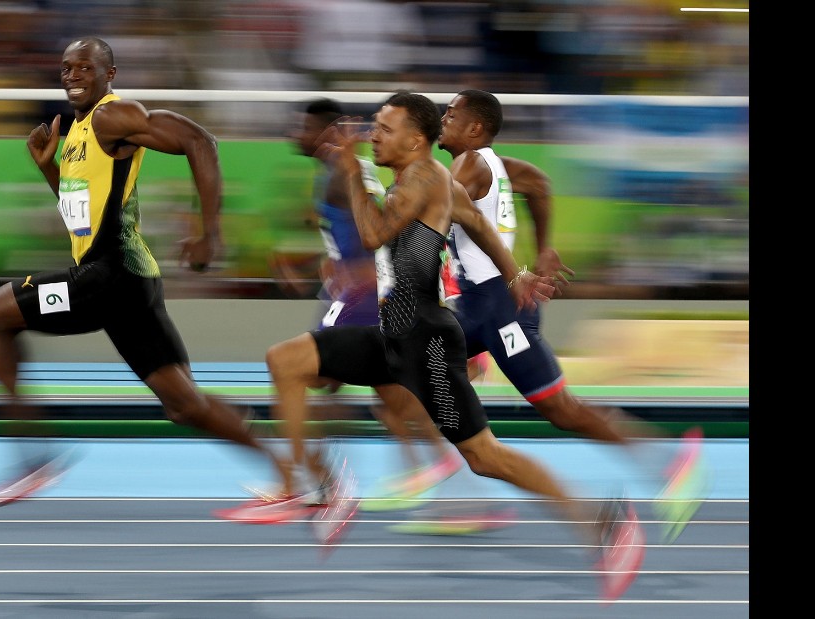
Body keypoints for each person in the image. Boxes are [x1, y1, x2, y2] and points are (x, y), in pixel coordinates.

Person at [219, 91, 646, 601]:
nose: (372, 134)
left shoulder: (423, 178)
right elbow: (480, 224)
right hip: (393, 333)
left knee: (485, 457)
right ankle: (307, 489)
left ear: (415, 140)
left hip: (425, 342)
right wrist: (518, 274)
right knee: (286, 361)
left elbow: (375, 233)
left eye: (383, 127)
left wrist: (353, 173)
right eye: (374, 126)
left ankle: (605, 523)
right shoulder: (436, 181)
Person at [0, 36, 291, 509]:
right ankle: (291, 475)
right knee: (184, 405)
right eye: (66, 68)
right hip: (125, 284)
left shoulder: (112, 116)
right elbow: (83, 216)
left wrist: (209, 232)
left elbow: (200, 140)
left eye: (85, 68)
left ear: (109, 74)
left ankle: (32, 457)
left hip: (107, 277)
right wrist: (49, 170)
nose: (73, 76)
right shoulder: (73, 134)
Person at [434, 89, 708, 543]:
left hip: (500, 312)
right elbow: (539, 184)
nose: (443, 118)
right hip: (480, 309)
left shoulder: (467, 166)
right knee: (427, 369)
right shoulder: (499, 166)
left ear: (475, 128)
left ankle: (669, 464)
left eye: (451, 113)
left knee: (561, 410)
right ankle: (464, 489)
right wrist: (545, 250)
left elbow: (437, 216)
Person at [248, 97, 461, 509]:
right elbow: (349, 238)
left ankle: (305, 480)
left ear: (327, 133)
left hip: (362, 298)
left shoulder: (342, 176)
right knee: (379, 394)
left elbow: (376, 235)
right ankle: (427, 462)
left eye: (304, 127)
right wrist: (317, 263)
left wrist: (360, 275)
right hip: (359, 293)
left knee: (302, 372)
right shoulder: (338, 173)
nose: (297, 133)